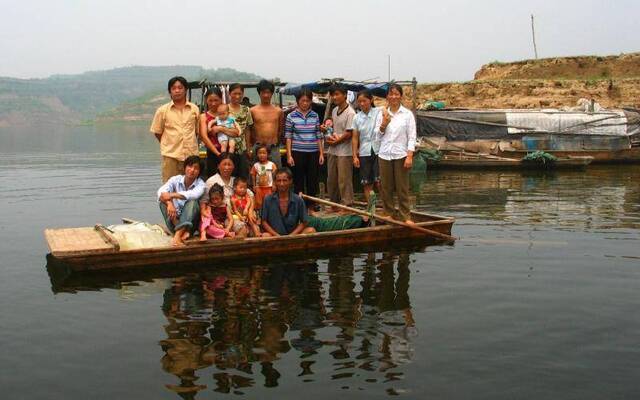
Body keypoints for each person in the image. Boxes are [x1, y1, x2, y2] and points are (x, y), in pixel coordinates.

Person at [375, 84, 417, 223]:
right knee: (386, 187)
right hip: (384, 154)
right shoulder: (381, 113)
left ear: (401, 96)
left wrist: (409, 156)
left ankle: (405, 216)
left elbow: (412, 137)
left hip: (401, 155)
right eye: (391, 94)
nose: (393, 97)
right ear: (387, 96)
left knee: (402, 187)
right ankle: (389, 212)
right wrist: (383, 124)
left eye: (396, 94)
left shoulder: (407, 114)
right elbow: (376, 136)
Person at [150, 76, 201, 183]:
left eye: (180, 87)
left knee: (191, 188)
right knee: (170, 188)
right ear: (170, 92)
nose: (177, 91)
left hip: (191, 157)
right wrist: (169, 144)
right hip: (171, 157)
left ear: (185, 90)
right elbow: (157, 132)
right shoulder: (162, 110)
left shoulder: (194, 109)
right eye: (174, 88)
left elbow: (197, 132)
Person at [285, 88, 324, 205]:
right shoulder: (291, 116)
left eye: (308, 101)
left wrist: (321, 153)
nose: (305, 103)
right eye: (303, 100)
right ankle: (299, 206)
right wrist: (289, 155)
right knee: (298, 180)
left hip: (313, 152)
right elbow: (288, 136)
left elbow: (318, 134)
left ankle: (311, 207)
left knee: (312, 180)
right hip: (297, 151)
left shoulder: (315, 115)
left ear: (311, 101)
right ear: (298, 101)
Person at [157, 155, 206, 246]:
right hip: (174, 221)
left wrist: (171, 195)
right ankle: (180, 232)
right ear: (185, 167)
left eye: (196, 168)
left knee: (192, 202)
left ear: (199, 172)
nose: (192, 170)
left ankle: (178, 235)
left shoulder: (201, 184)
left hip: (191, 225)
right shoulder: (175, 179)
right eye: (190, 166)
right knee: (162, 202)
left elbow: (193, 195)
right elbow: (160, 192)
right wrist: (169, 203)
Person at [323, 85, 356, 206]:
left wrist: (336, 141)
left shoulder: (350, 112)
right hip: (333, 150)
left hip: (344, 151)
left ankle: (347, 204)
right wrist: (326, 131)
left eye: (337, 94)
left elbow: (349, 133)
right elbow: (334, 129)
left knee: (344, 180)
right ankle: (334, 203)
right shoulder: (334, 111)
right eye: (333, 95)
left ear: (345, 95)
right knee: (331, 179)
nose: (334, 97)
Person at [261, 169, 316, 236]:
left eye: (285, 180)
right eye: (279, 181)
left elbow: (304, 222)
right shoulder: (268, 199)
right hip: (274, 237)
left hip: (293, 236)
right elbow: (264, 221)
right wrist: (276, 235)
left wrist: (291, 235)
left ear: (290, 181)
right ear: (275, 182)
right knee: (265, 236)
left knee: (311, 231)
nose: (281, 184)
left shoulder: (298, 200)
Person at [351, 89, 382, 203]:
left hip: (379, 150)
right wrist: (354, 156)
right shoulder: (356, 117)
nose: (362, 104)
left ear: (371, 100)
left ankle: (386, 208)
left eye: (365, 101)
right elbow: (355, 138)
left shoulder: (379, 112)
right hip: (364, 152)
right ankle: (371, 207)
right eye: (360, 101)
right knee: (366, 182)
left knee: (380, 182)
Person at [250, 79, 284, 169]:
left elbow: (280, 130)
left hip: (274, 148)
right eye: (263, 92)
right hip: (258, 148)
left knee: (276, 174)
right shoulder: (253, 110)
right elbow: (249, 130)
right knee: (256, 174)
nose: (266, 95)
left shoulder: (278, 111)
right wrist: (251, 147)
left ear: (272, 94)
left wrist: (275, 142)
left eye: (268, 92)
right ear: (259, 93)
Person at [227, 83, 254, 179]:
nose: (237, 96)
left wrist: (248, 148)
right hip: (228, 148)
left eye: (240, 93)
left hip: (242, 149)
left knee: (243, 175)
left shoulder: (246, 110)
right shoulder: (224, 109)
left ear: (243, 94)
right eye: (234, 93)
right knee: (230, 175)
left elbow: (247, 130)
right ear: (229, 93)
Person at [199, 88, 224, 178]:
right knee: (212, 178)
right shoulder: (203, 116)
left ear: (221, 100)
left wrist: (221, 128)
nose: (213, 103)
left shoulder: (227, 115)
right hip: (211, 153)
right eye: (210, 100)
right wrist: (217, 153)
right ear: (206, 100)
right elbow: (204, 137)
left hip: (227, 150)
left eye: (216, 100)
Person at [250, 144, 277, 211]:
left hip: (269, 187)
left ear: (268, 154)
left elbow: (275, 175)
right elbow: (253, 175)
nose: (262, 155)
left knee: (269, 202)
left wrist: (274, 184)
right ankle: (259, 216)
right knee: (259, 203)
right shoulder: (256, 165)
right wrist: (254, 185)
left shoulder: (271, 164)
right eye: (260, 153)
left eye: (264, 153)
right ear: (257, 154)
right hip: (259, 188)